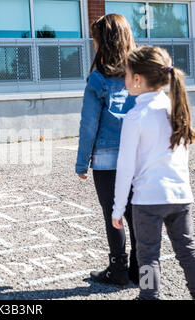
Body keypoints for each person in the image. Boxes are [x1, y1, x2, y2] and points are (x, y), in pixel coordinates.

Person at [112, 46, 195, 300]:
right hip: (180, 196)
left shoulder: (135, 116)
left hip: (148, 200)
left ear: (138, 79)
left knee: (148, 255)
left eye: (126, 74)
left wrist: (118, 208)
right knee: (187, 249)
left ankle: (149, 296)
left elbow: (125, 168)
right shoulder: (177, 109)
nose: (124, 79)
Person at [75, 14, 138, 286]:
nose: (94, 45)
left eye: (96, 40)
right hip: (137, 157)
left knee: (114, 214)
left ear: (104, 42)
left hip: (106, 160)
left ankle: (118, 269)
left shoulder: (97, 80)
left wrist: (81, 163)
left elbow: (88, 125)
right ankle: (141, 268)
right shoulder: (138, 77)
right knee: (136, 213)